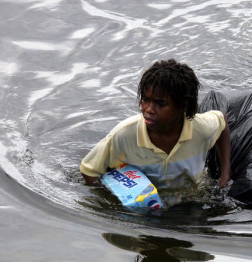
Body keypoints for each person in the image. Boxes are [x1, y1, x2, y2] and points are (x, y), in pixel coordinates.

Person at [80, 59, 231, 206]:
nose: (149, 109)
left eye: (160, 103)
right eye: (146, 100)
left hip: (191, 198)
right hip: (148, 205)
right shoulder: (124, 135)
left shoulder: (200, 128)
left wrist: (225, 174)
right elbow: (89, 169)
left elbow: (222, 122)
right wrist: (113, 200)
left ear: (183, 105)